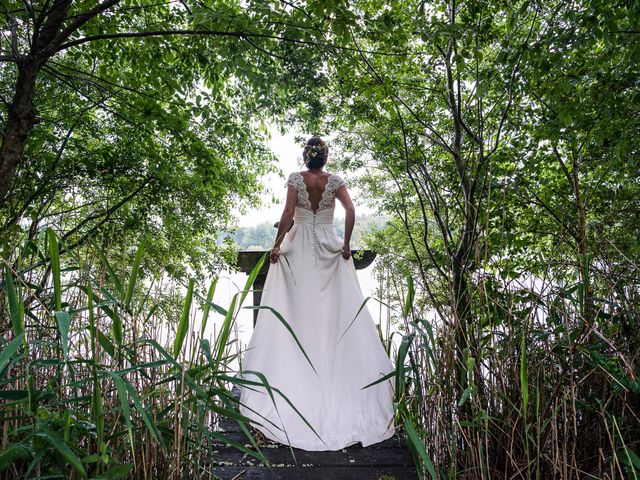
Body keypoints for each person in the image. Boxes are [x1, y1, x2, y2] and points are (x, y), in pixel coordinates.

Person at [238, 136, 396, 451]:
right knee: (333, 312)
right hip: (328, 246)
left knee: (296, 311)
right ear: (324, 157)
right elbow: (350, 210)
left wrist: (278, 244)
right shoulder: (334, 180)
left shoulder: (296, 179)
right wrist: (347, 243)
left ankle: (297, 367)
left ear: (305, 156)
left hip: (297, 248)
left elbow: (287, 215)